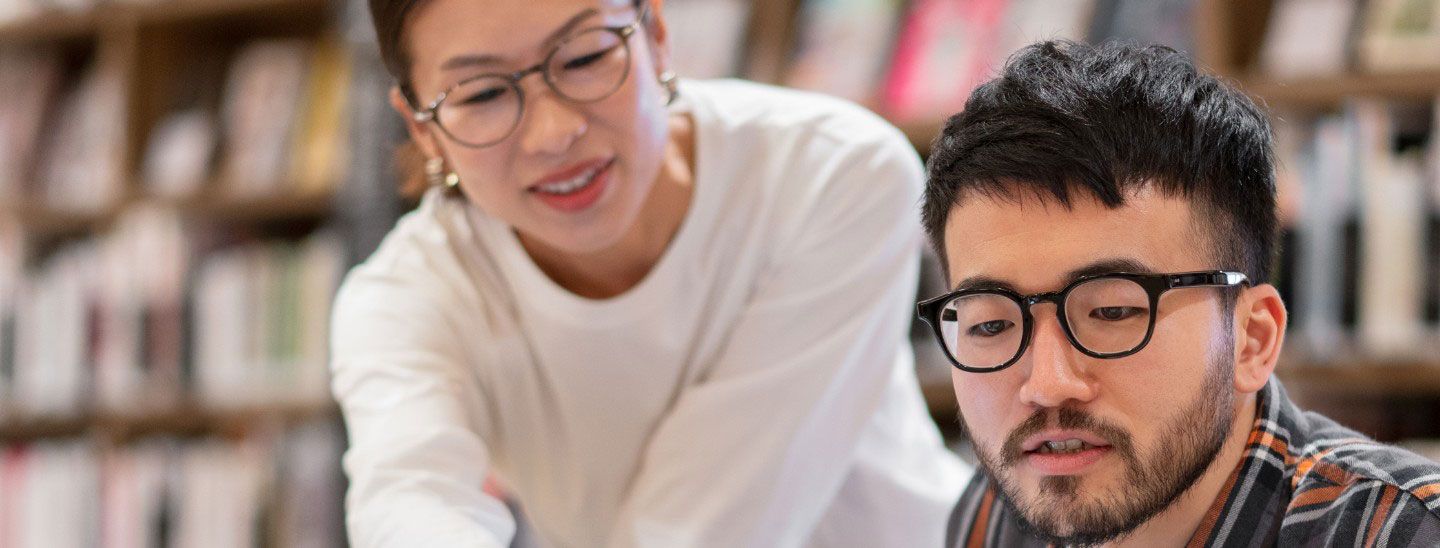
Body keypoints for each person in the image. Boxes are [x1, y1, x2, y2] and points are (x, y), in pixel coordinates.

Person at [329, 0, 968, 545]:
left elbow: (713, 521)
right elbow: (412, 501)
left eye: (583, 58)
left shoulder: (834, 174)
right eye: (484, 94)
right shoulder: (406, 298)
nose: (554, 133)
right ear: (425, 130)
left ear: (656, 35)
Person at [916, 40, 1440, 547]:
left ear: (1252, 338)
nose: (1048, 386)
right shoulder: (992, 515)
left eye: (1112, 310)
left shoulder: (1400, 532)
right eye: (990, 324)